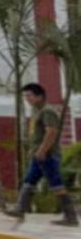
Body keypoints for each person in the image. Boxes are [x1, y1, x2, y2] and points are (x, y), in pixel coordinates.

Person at [7, 83, 77, 226]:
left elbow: (51, 132)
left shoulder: (47, 111)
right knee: (29, 180)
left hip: (47, 155)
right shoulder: (36, 110)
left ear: (40, 96)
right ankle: (20, 208)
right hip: (38, 154)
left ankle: (71, 217)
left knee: (56, 184)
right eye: (25, 96)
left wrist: (42, 151)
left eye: (29, 95)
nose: (26, 98)